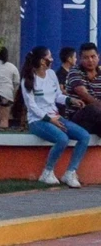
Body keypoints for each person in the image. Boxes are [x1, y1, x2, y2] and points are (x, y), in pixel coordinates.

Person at [21, 46, 88, 188]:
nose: (52, 60)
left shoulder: (51, 74)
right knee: (62, 139)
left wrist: (71, 100)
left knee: (84, 136)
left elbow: (57, 96)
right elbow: (32, 106)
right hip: (38, 121)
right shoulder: (28, 79)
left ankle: (70, 172)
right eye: (49, 57)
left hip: (56, 116)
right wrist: (49, 119)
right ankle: (47, 172)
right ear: (41, 61)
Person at [65, 43, 101, 136]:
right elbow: (83, 94)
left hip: (97, 120)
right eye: (86, 58)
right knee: (92, 108)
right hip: (77, 119)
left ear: (98, 57)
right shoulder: (75, 72)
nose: (90, 60)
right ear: (80, 59)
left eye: (93, 56)